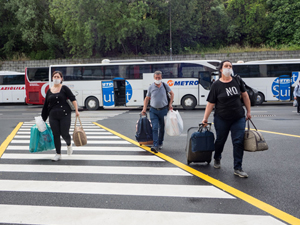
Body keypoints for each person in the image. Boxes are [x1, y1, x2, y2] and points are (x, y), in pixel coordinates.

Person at [202, 60, 251, 178]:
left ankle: (238, 168)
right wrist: (205, 118)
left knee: (238, 141)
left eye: (230, 66)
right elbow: (210, 104)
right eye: (226, 66)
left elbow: (245, 95)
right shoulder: (216, 85)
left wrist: (249, 111)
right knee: (220, 141)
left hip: (238, 117)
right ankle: (217, 157)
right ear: (221, 69)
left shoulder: (237, 80)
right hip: (221, 118)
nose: (229, 68)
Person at [42, 71, 80, 161]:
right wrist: (42, 119)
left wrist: (77, 111)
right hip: (53, 116)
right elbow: (45, 106)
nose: (56, 78)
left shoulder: (64, 88)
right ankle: (58, 154)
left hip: (65, 115)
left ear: (61, 78)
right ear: (52, 78)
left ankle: (69, 144)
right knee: (56, 134)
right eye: (54, 76)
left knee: (64, 133)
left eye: (58, 77)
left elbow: (73, 99)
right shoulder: (49, 91)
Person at [141, 71, 174, 153]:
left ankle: (160, 142)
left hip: (163, 110)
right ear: (154, 78)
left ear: (161, 77)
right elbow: (147, 98)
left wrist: (170, 104)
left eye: (159, 78)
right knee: (155, 128)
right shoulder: (151, 87)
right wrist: (144, 109)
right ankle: (155, 145)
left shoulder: (165, 85)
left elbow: (172, 93)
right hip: (153, 110)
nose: (158, 79)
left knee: (162, 128)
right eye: (156, 78)